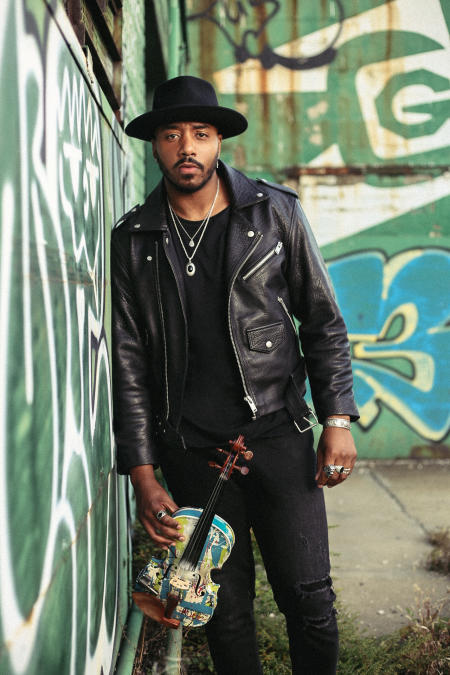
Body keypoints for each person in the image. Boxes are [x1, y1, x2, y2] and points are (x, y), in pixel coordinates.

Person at [111, 75, 358, 674]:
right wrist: (143, 474)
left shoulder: (274, 214)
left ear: (219, 140)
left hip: (277, 433)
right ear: (156, 146)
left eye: (200, 133)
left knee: (309, 599)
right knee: (222, 611)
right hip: (192, 448)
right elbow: (129, 362)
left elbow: (322, 320)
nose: (186, 147)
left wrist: (338, 418)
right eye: (172, 135)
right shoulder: (134, 239)